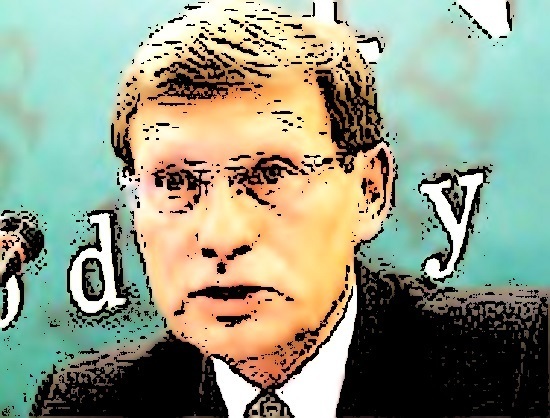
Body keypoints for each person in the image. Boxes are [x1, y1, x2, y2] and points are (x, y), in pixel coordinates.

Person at [34, 1, 548, 416]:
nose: (221, 235)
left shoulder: (522, 364)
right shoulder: (85, 405)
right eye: (175, 183)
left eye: (270, 176)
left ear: (369, 190)